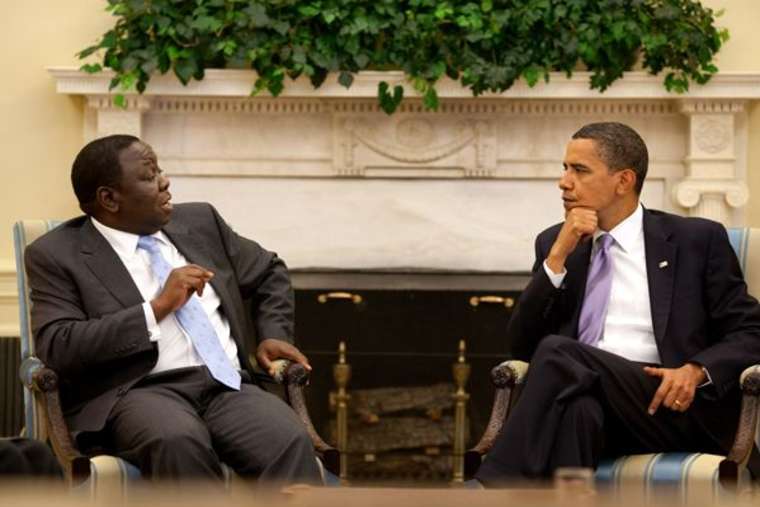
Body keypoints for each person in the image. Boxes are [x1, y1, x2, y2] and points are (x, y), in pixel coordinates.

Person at [474, 122, 760, 486]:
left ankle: (492, 484)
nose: (564, 182)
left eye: (579, 170)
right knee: (578, 410)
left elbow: (751, 331)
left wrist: (695, 370)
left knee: (561, 352)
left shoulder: (696, 240)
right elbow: (522, 347)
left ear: (623, 181)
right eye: (565, 169)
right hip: (596, 403)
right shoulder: (556, 243)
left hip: (669, 404)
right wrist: (559, 256)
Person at [25, 135, 322, 484]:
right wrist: (159, 307)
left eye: (160, 170)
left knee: (288, 440)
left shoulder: (200, 221)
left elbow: (269, 270)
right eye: (149, 176)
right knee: (177, 442)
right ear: (109, 198)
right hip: (140, 392)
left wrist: (272, 333)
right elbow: (60, 345)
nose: (165, 181)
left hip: (227, 385)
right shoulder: (58, 254)